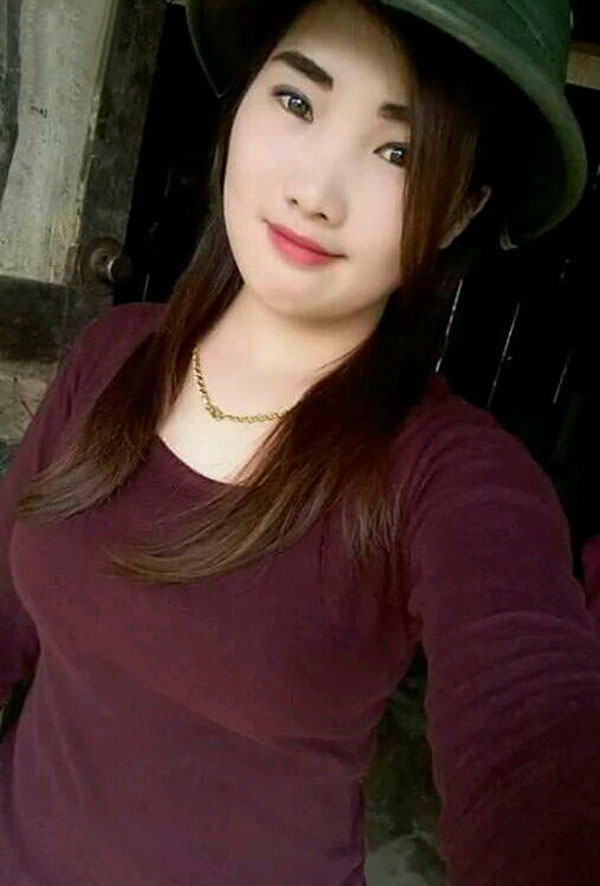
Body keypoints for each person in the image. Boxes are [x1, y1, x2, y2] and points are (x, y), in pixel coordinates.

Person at [1, 0, 599, 883]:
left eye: (399, 153)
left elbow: (534, 735)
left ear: (459, 211)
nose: (315, 193)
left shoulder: (453, 478)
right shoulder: (113, 354)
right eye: (297, 101)